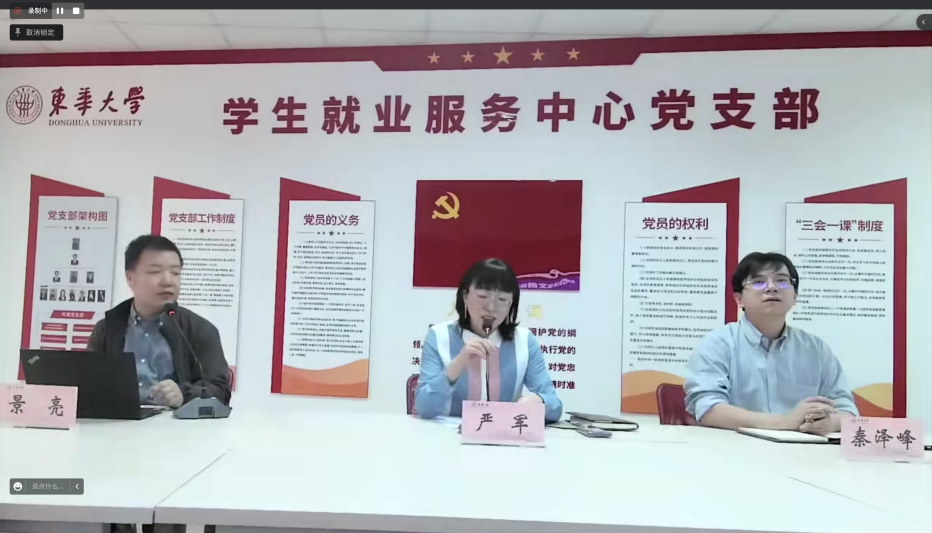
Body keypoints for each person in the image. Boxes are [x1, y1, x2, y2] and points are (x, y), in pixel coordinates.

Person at [684, 252, 858, 436]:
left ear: (795, 295)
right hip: (735, 449)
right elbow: (707, 409)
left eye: (782, 281)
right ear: (739, 299)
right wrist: (784, 422)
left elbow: (847, 410)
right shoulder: (717, 345)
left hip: (803, 451)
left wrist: (829, 423)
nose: (772, 288)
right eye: (759, 282)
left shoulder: (816, 350)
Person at [87, 235, 230, 409]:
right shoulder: (106, 329)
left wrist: (184, 395)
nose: (168, 281)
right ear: (130, 278)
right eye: (155, 272)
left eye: (175, 273)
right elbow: (89, 385)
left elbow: (220, 390)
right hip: (118, 422)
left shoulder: (199, 329)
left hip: (176, 424)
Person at [414, 258, 563, 422]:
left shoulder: (524, 341)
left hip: (504, 435)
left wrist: (540, 401)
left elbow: (555, 406)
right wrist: (456, 366)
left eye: (502, 300)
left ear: (511, 304)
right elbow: (423, 408)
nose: (491, 308)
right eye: (482, 296)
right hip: (448, 435)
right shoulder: (438, 336)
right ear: (465, 296)